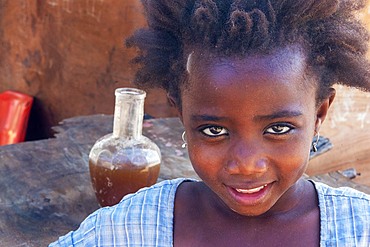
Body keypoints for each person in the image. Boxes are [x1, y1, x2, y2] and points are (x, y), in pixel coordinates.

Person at [50, 0, 370, 246]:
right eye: (214, 130)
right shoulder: (129, 229)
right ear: (181, 117)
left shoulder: (358, 228)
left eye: (278, 128)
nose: (246, 166)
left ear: (318, 115)